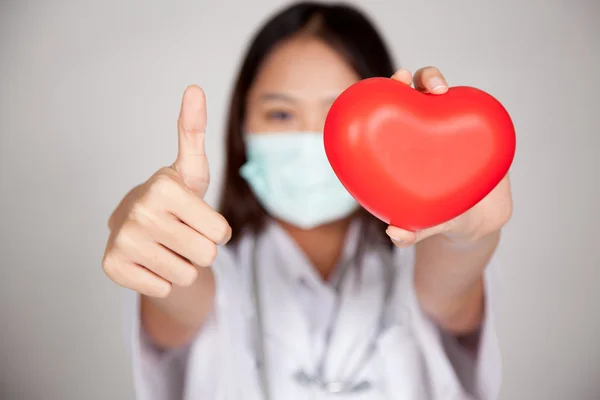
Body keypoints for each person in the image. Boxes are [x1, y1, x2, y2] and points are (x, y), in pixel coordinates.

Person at [102, 2, 512, 399]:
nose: (309, 140)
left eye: (336, 113)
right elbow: (178, 300)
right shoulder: (209, 265)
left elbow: (451, 284)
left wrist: (467, 231)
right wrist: (152, 237)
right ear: (242, 127)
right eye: (281, 115)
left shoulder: (418, 262)